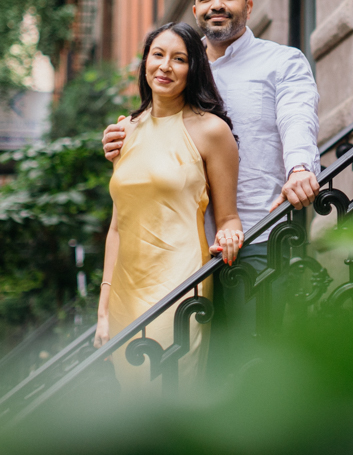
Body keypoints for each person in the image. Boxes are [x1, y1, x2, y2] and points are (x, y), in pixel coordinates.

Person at [101, 0, 321, 372]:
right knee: (183, 370)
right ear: (195, 9)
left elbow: (297, 118)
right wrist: (121, 138)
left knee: (245, 363)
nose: (216, 5)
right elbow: (159, 128)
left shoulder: (281, 62)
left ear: (248, 5)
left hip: (256, 238)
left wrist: (299, 169)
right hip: (182, 253)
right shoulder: (180, 63)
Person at [94, 22, 244, 395]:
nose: (165, 66)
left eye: (179, 59)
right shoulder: (124, 131)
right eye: (157, 55)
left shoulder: (212, 131)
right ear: (145, 61)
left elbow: (228, 217)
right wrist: (104, 309)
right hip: (126, 288)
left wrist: (231, 234)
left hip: (180, 281)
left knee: (170, 391)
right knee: (133, 400)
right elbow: (117, 228)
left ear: (194, 68)